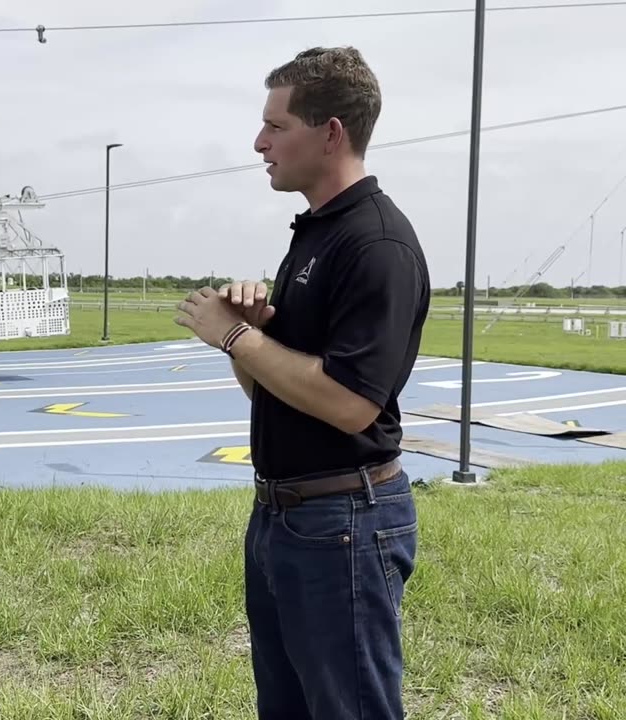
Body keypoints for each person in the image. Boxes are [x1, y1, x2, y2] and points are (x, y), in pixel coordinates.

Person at [174, 47, 429, 719]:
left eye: (276, 125)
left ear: (331, 132)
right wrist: (252, 335)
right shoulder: (316, 236)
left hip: (342, 524)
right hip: (286, 519)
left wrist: (235, 335)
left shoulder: (376, 246)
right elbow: (274, 391)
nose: (259, 142)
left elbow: (350, 404)